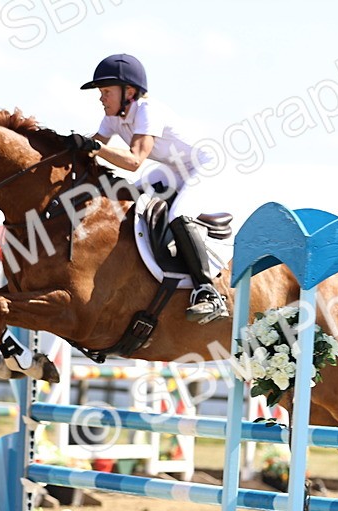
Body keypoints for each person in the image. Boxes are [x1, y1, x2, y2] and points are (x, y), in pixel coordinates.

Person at [73, 53, 228, 324]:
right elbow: (90, 149)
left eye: (107, 92)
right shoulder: (113, 117)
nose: (101, 98)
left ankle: (208, 292)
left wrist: (95, 148)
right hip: (173, 168)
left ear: (129, 92)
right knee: (125, 196)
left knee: (178, 215)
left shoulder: (148, 110)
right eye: (101, 92)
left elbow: (133, 161)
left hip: (204, 165)